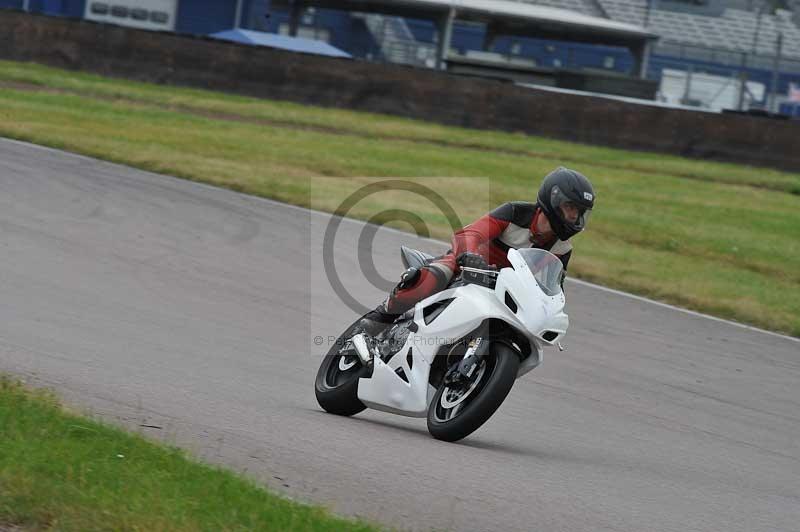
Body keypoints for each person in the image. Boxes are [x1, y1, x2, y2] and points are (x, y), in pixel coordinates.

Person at [359, 167, 595, 336]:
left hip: (504, 291)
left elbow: (552, 290)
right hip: (467, 267)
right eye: (570, 207)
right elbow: (470, 233)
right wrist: (470, 256)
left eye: (579, 211)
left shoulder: (562, 249)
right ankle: (381, 316)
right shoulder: (515, 213)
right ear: (552, 199)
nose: (574, 217)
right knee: (438, 274)